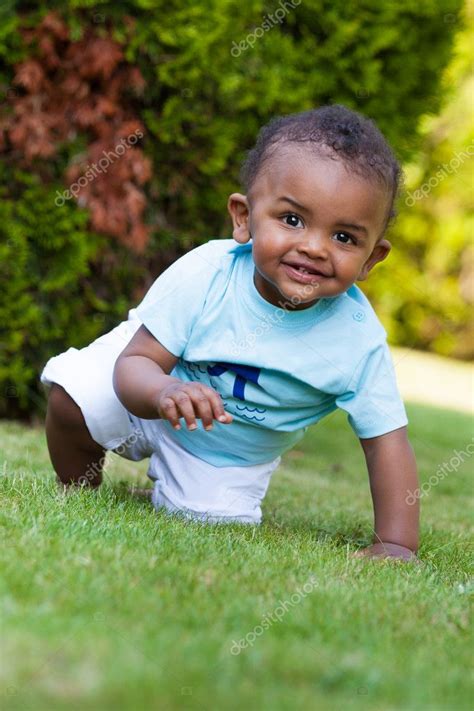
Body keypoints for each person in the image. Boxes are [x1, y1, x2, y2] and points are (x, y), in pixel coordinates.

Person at [41, 104, 420, 561]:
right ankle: (79, 490)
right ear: (244, 217)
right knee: (75, 395)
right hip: (149, 390)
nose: (314, 247)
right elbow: (135, 363)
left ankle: (182, 486)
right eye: (293, 220)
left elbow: (386, 444)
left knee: (205, 521)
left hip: (227, 454)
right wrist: (164, 392)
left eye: (344, 238)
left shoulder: (357, 343)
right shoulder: (207, 273)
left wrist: (397, 543)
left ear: (371, 260)